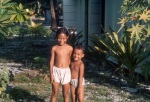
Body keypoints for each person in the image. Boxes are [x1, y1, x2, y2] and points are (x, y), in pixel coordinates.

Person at [49, 27, 73, 102]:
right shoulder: (54, 48)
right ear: (56, 37)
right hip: (56, 71)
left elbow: (70, 61)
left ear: (67, 37)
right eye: (59, 38)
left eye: (64, 38)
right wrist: (51, 74)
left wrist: (73, 74)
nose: (61, 40)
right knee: (54, 93)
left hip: (66, 72)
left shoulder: (70, 48)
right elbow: (51, 61)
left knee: (65, 94)